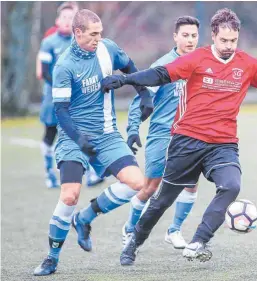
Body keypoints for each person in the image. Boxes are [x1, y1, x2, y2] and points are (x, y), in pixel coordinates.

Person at [100, 8, 257, 266]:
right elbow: (162, 74)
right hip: (187, 140)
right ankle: (134, 241)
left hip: (223, 144)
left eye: (233, 41)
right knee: (162, 200)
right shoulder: (197, 58)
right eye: (224, 41)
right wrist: (126, 80)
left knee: (231, 186)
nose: (229, 46)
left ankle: (198, 240)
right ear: (214, 36)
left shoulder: (248, 64)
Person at [33, 9, 153, 276]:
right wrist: (79, 140)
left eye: (100, 32)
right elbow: (61, 112)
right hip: (73, 137)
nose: (99, 38)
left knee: (138, 184)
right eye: (93, 34)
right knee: (69, 195)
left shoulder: (107, 49)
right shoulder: (64, 65)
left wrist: (144, 94)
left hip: (108, 134)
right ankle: (52, 258)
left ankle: (85, 218)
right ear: (78, 33)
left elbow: (131, 67)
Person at [122, 16, 200, 250]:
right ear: (175, 37)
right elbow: (141, 98)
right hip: (162, 134)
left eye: (194, 35)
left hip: (189, 136)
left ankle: (174, 230)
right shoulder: (164, 66)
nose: (190, 40)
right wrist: (133, 128)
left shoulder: (202, 63)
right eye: (185, 35)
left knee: (191, 184)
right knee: (151, 187)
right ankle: (129, 229)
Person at [37, 2, 103, 188]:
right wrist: (65, 87)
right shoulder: (49, 43)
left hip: (79, 99)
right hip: (55, 99)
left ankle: (91, 174)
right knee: (50, 133)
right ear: (58, 20)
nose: (67, 21)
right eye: (64, 18)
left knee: (84, 133)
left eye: (71, 18)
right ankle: (49, 174)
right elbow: (44, 72)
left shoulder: (81, 42)